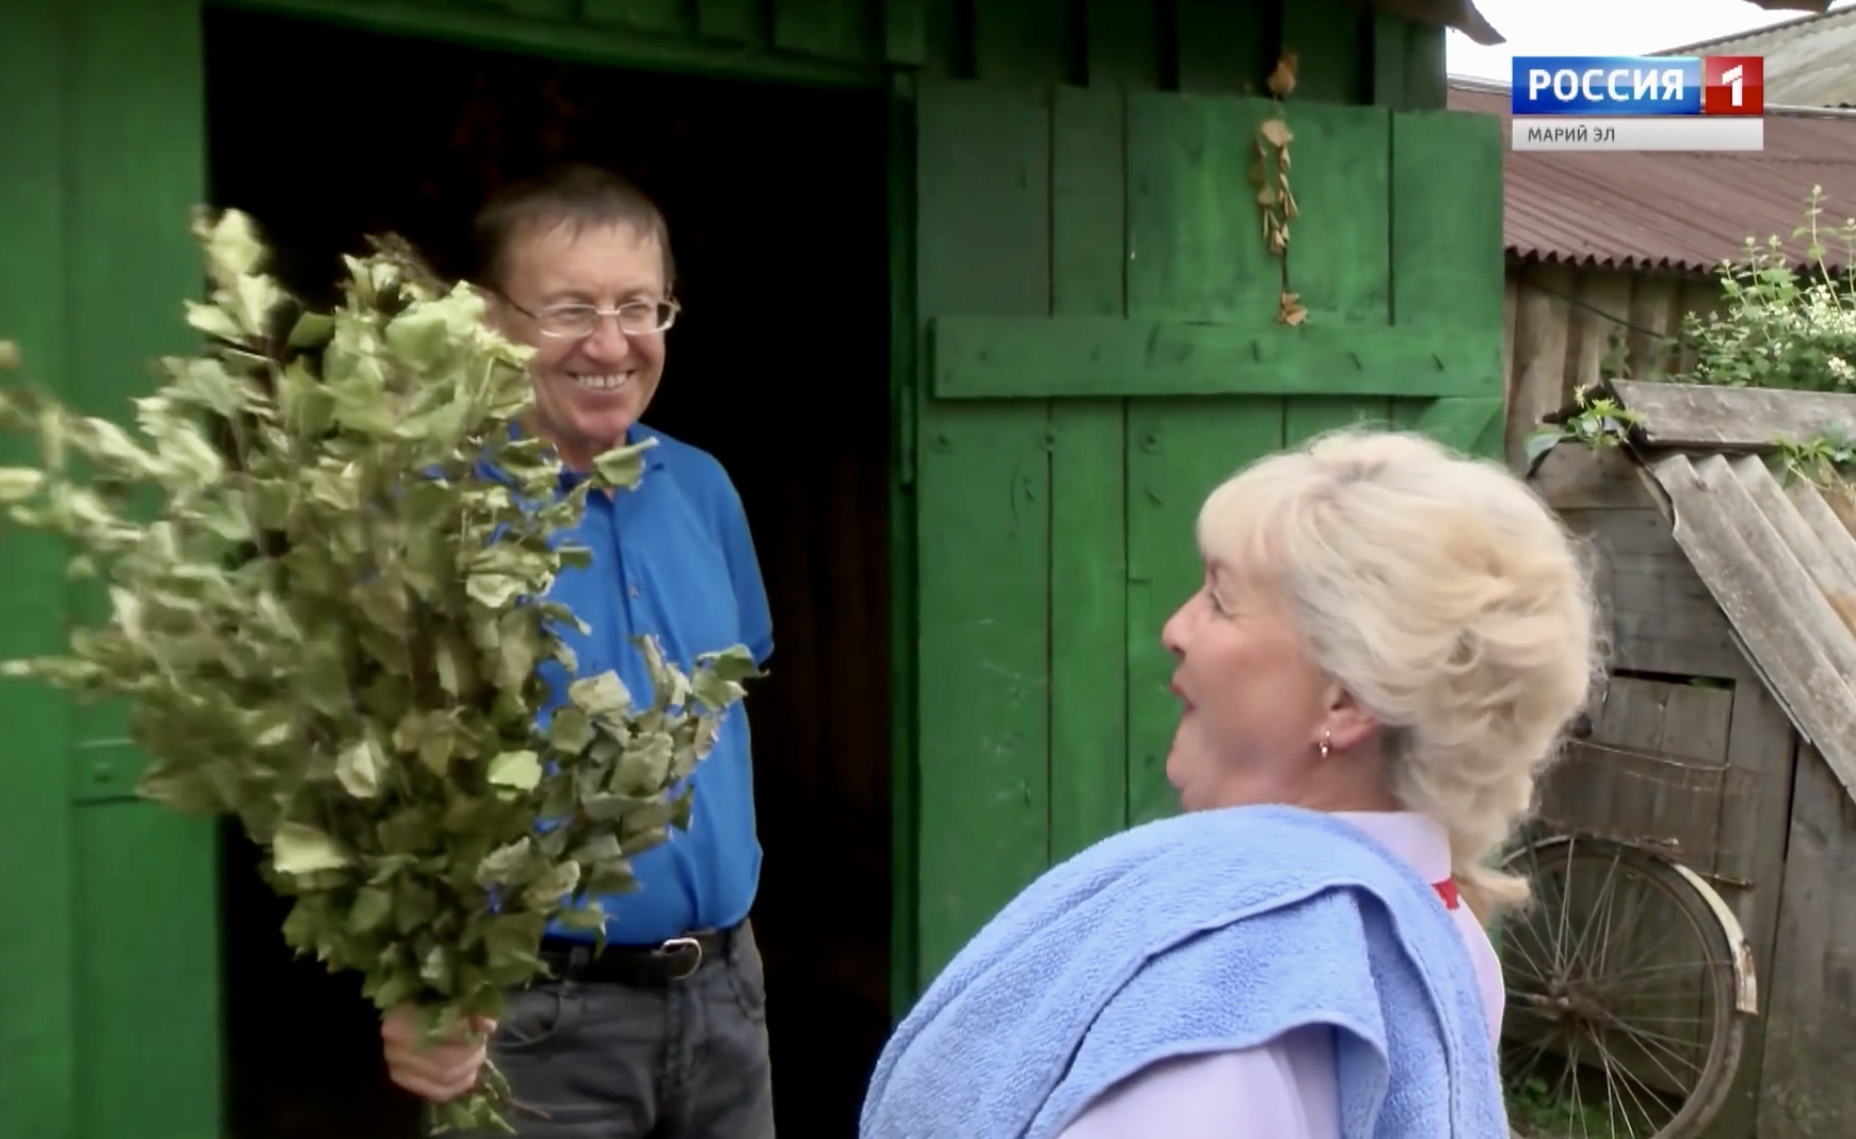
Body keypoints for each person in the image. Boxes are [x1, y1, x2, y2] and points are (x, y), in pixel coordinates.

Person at [860, 429, 1601, 1138]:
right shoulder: (1440, 932)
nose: (1175, 629)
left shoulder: (1227, 1002)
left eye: (1220, 600)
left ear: (1346, 699)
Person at [377, 163, 777, 1138]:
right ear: (487, 318)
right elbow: (367, 774)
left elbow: (730, 705)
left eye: (638, 306)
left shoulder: (704, 487)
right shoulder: (427, 512)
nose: (610, 343)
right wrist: (414, 980)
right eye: (569, 310)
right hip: (529, 1020)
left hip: (727, 997)